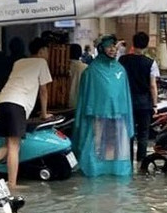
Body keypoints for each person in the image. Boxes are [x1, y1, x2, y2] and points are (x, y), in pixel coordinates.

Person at [0, 37, 53, 190]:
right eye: (47, 50)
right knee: (14, 146)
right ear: (41, 51)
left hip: (4, 101)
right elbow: (43, 91)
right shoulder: (41, 62)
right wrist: (44, 114)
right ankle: (12, 184)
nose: (48, 54)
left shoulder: (19, 62)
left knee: (9, 144)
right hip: (17, 104)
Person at [73, 33, 134, 178]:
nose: (113, 49)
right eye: (108, 47)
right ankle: (95, 170)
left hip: (118, 115)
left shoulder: (120, 70)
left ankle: (115, 171)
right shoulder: (91, 71)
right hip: (97, 115)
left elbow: (125, 95)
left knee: (116, 146)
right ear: (101, 49)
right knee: (96, 144)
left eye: (114, 46)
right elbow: (85, 96)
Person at [119, 31, 160, 170]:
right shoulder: (150, 63)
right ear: (146, 45)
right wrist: (155, 104)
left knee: (128, 133)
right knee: (143, 134)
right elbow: (153, 85)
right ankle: (142, 163)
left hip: (126, 103)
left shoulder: (123, 60)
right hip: (144, 103)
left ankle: (128, 163)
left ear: (133, 42)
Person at [68, 42, 86, 110]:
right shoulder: (85, 68)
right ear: (80, 54)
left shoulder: (61, 67)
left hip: (62, 102)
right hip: (79, 103)